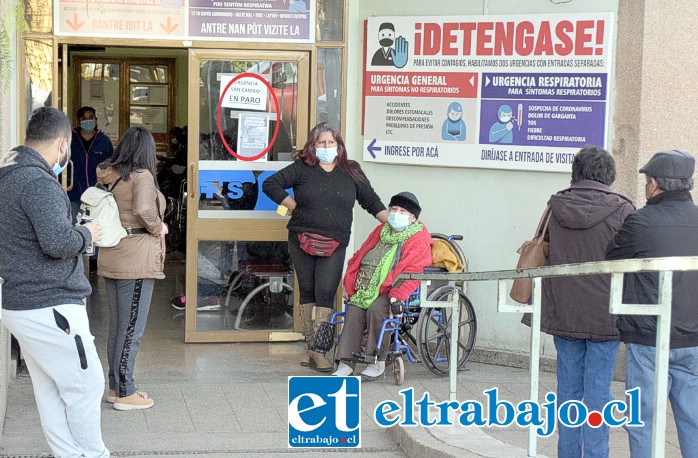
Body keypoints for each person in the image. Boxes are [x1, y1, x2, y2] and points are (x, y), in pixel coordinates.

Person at [0, 107, 108, 457]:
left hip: (22, 302)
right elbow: (58, 242)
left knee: (50, 390)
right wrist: (86, 233)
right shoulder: (37, 182)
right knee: (86, 385)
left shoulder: (9, 172)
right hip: (50, 305)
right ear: (64, 144)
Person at [522, 146, 634, 458]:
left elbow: (542, 249)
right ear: (608, 175)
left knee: (568, 391)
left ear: (577, 171)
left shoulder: (555, 205)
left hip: (564, 312)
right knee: (598, 392)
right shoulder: (623, 209)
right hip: (605, 315)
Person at [263, 122, 388, 372]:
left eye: (331, 142)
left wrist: (395, 224)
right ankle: (314, 350)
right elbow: (270, 184)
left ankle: (322, 350)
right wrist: (293, 205)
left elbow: (370, 200)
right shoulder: (302, 168)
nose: (327, 146)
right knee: (307, 292)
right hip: (301, 239)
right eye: (321, 142)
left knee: (325, 292)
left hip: (335, 242)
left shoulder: (351, 171)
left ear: (339, 145)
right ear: (313, 145)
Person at [606, 150, 698, 458]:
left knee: (643, 418)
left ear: (655, 185)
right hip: (693, 338)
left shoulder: (640, 221)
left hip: (647, 337)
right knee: (693, 420)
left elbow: (612, 258)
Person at [96, 126, 167, 411]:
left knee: (118, 327)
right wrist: (158, 226)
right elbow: (143, 209)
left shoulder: (110, 175)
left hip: (113, 254)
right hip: (136, 258)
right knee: (132, 329)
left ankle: (115, 385)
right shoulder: (143, 176)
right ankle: (126, 391)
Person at [332, 192, 433, 380]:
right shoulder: (381, 231)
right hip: (367, 286)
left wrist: (398, 295)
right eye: (393, 209)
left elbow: (413, 271)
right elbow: (361, 255)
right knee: (353, 310)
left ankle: (376, 361)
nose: (396, 214)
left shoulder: (418, 238)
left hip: (393, 289)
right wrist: (350, 282)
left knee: (377, 310)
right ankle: (345, 363)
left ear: (413, 218)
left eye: (402, 211)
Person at [67, 106, 114, 222]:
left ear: (96, 119)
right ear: (78, 120)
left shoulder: (104, 141)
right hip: (74, 193)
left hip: (97, 194)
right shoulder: (69, 139)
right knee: (74, 224)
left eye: (91, 117)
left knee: (94, 226)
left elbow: (111, 166)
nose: (88, 120)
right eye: (84, 118)